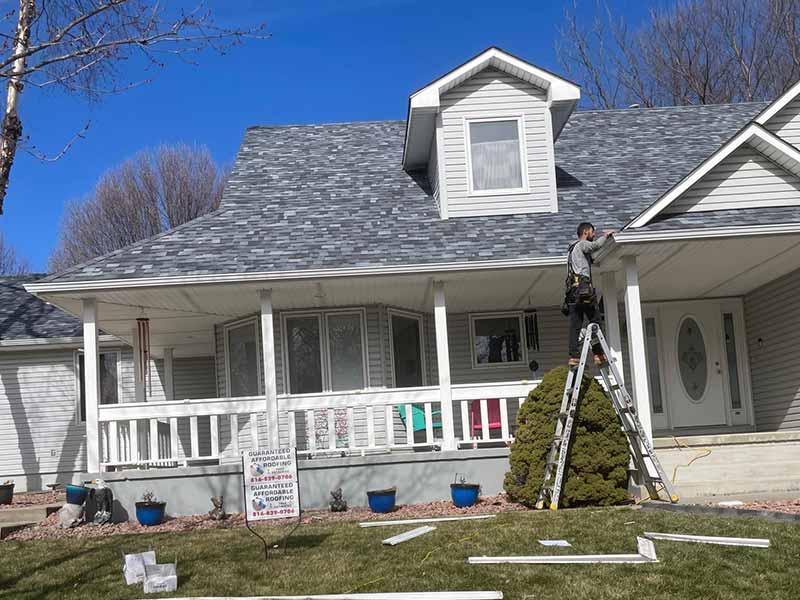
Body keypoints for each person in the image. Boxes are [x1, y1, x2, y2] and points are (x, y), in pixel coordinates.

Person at [564, 222, 615, 367]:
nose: (594, 235)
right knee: (595, 321)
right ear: (585, 232)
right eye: (593, 232)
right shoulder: (581, 245)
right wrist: (606, 236)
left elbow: (590, 256)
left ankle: (574, 357)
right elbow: (594, 246)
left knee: (576, 324)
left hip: (573, 292)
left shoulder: (572, 250)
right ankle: (599, 355)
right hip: (583, 289)